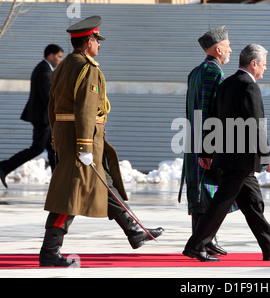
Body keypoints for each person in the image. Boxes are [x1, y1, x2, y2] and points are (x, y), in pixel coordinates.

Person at [38, 16, 164, 267]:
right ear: (88, 42)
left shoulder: (64, 66)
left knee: (103, 183)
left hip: (67, 136)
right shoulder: (88, 68)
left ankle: (133, 230)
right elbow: (86, 108)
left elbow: (52, 106)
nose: (99, 45)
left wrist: (56, 137)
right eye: (97, 40)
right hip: (81, 139)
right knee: (71, 194)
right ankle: (50, 250)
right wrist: (84, 146)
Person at [183, 44, 270, 262]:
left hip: (227, 156)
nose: (265, 69)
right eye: (263, 65)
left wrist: (206, 152)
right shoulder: (249, 86)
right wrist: (268, 156)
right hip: (241, 158)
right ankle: (196, 245)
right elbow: (255, 126)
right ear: (253, 64)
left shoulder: (227, 84)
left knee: (252, 202)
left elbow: (212, 119)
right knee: (222, 201)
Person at [177, 26, 235, 256]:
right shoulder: (214, 73)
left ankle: (205, 240)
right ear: (218, 49)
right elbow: (211, 114)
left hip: (194, 141)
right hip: (204, 143)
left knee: (200, 192)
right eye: (228, 46)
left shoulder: (196, 72)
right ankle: (201, 242)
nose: (230, 50)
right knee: (208, 193)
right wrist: (208, 148)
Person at [0, 44, 64, 188]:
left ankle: (58, 183)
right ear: (51, 56)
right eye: (59, 56)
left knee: (53, 150)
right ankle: (4, 167)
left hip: (43, 118)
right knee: (38, 148)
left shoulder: (44, 69)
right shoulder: (44, 70)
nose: (60, 60)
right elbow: (47, 96)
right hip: (43, 118)